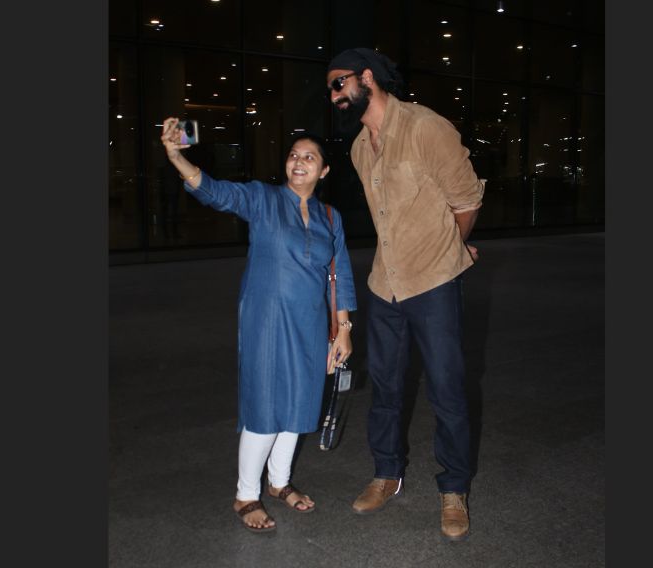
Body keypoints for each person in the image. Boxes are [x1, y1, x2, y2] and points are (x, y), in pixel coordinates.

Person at [160, 118, 357, 533]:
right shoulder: (263, 199)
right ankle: (246, 494)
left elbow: (340, 273)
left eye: (309, 157)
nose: (298, 162)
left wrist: (343, 329)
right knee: (265, 404)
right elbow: (214, 191)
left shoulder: (330, 216)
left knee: (300, 401)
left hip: (309, 323)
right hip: (265, 320)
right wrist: (177, 156)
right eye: (293, 155)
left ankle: (279, 482)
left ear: (324, 171)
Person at [325, 49, 485, 541]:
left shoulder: (425, 128)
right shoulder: (359, 148)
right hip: (385, 284)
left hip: (433, 281)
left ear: (367, 77)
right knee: (386, 388)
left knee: (447, 390)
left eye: (339, 83)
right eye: (330, 88)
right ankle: (386, 473)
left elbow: (466, 201)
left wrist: (450, 248)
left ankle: (454, 488)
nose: (333, 95)